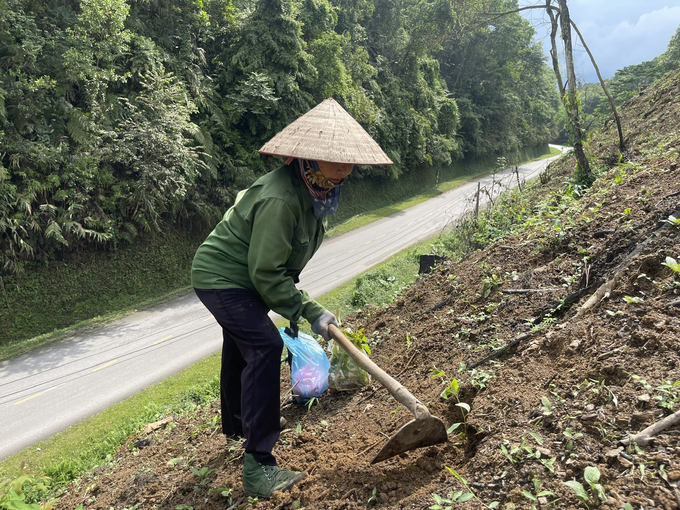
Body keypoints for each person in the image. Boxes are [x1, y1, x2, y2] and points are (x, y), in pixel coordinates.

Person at [191, 98, 392, 499]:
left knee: (242, 345)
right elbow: (266, 272)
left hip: (244, 281)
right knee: (264, 347)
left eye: (349, 162)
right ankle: (258, 466)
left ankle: (236, 427)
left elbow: (277, 266)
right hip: (222, 278)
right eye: (334, 161)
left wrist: (300, 305)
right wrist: (310, 310)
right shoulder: (282, 199)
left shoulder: (315, 191)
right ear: (307, 159)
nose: (344, 169)